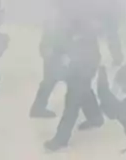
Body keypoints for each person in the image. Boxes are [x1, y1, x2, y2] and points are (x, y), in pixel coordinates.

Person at [44, 16, 105, 151]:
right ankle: (96, 118)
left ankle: (61, 139)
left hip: (82, 74)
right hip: (72, 73)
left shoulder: (88, 39)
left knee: (71, 105)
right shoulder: (68, 34)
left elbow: (94, 58)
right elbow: (60, 51)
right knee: (85, 94)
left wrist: (85, 72)